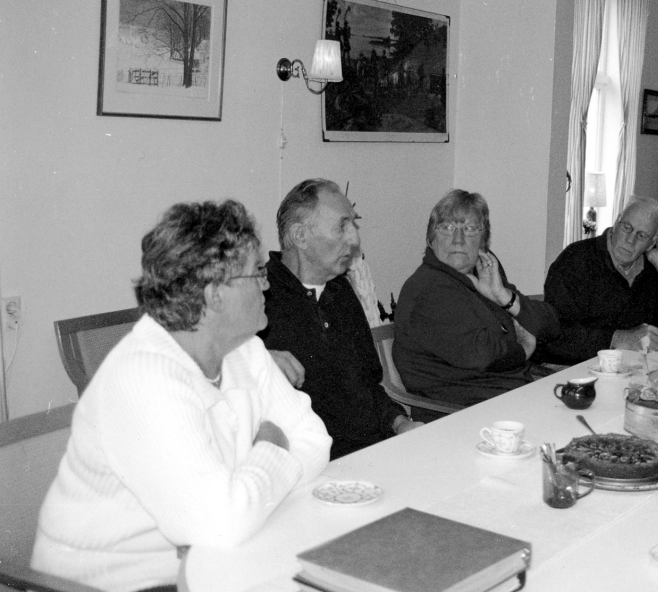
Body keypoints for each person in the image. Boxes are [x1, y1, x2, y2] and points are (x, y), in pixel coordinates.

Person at [31, 200, 331, 592]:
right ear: (214, 294)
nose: (268, 284)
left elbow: (315, 441)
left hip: (218, 561)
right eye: (257, 272)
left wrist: (246, 495)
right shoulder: (144, 377)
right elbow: (219, 524)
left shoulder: (244, 348)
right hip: (111, 583)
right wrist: (272, 445)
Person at [259, 179, 421, 460]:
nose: (355, 240)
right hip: (311, 466)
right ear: (300, 236)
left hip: (372, 453)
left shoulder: (340, 290)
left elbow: (368, 385)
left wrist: (400, 423)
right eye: (341, 226)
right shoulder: (259, 297)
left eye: (353, 225)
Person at [392, 189, 560, 420]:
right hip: (460, 413)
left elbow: (551, 326)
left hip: (510, 396)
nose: (458, 239)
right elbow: (480, 354)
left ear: (483, 241)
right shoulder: (429, 289)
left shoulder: (484, 271)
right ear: (431, 239)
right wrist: (523, 347)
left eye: (470, 229)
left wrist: (504, 297)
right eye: (447, 228)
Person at [539, 196, 658, 365]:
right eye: (627, 228)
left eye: (641, 235)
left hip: (632, 368)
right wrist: (617, 338)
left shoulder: (652, 270)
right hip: (570, 368)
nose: (630, 240)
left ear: (652, 243)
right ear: (617, 222)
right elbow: (554, 334)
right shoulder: (576, 259)